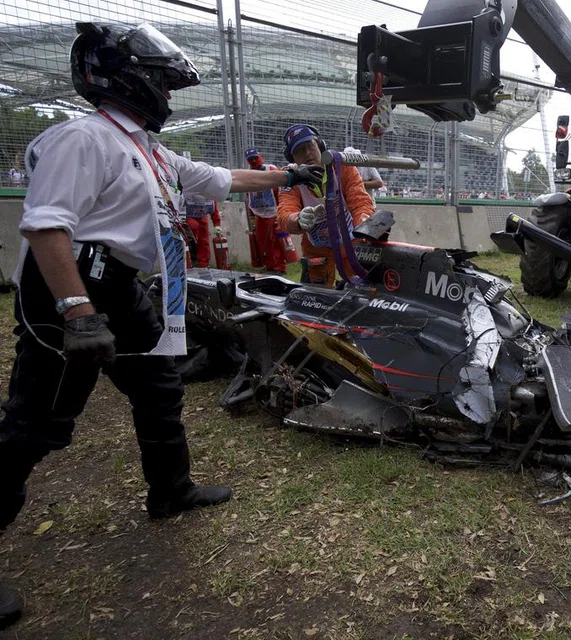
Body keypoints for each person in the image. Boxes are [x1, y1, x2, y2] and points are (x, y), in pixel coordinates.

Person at [0, 21, 326, 631]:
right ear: (126, 79)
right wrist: (78, 311)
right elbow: (46, 227)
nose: (170, 98)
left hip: (122, 287)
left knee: (158, 388)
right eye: (163, 85)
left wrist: (291, 176)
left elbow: (221, 180)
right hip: (73, 288)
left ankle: (170, 490)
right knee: (36, 424)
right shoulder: (84, 140)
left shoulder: (148, 149)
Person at [277, 127, 374, 287]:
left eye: (310, 146)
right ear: (292, 157)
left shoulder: (342, 166)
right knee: (315, 294)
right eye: (300, 150)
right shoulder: (289, 178)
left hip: (351, 240)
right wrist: (298, 219)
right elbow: (284, 213)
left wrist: (364, 223)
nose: (307, 153)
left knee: (363, 287)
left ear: (320, 146)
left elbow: (360, 201)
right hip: (316, 247)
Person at [244, 147, 288, 274]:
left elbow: (281, 190)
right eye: (250, 159)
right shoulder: (247, 175)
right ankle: (269, 264)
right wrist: (251, 215)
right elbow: (249, 196)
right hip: (259, 213)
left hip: (274, 211)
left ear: (260, 156)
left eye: (255, 158)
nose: (253, 160)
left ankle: (279, 266)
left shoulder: (271, 169)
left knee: (275, 239)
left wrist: (282, 210)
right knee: (262, 239)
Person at [183, 193, 222, 268]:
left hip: (202, 217)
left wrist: (217, 224)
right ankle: (188, 262)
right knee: (192, 228)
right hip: (187, 216)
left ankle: (203, 264)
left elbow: (214, 206)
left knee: (204, 241)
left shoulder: (209, 189)